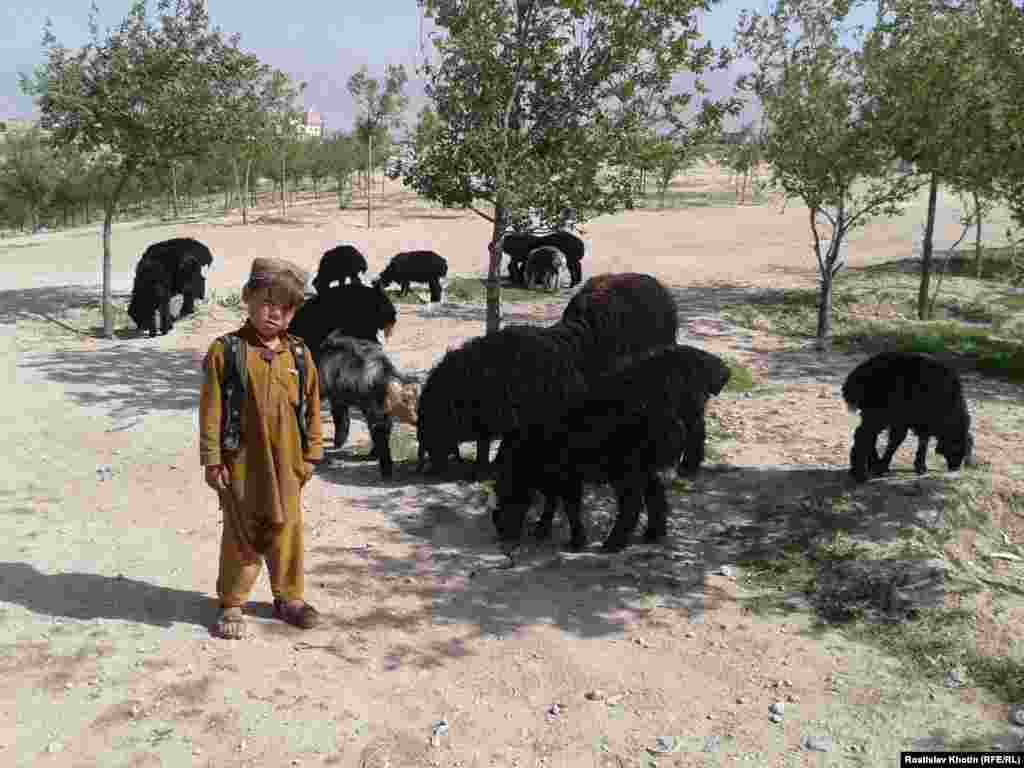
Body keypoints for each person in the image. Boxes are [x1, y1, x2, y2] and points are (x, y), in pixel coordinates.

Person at [198, 257, 324, 639]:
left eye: (286, 307)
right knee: (242, 530)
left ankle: (289, 598)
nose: (275, 313)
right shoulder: (226, 351)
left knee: (288, 527)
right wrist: (212, 460)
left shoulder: (300, 354)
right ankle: (232, 601)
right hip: (241, 461)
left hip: (288, 462)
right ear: (247, 298)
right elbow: (211, 409)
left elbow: (313, 406)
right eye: (268, 302)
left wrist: (311, 455)